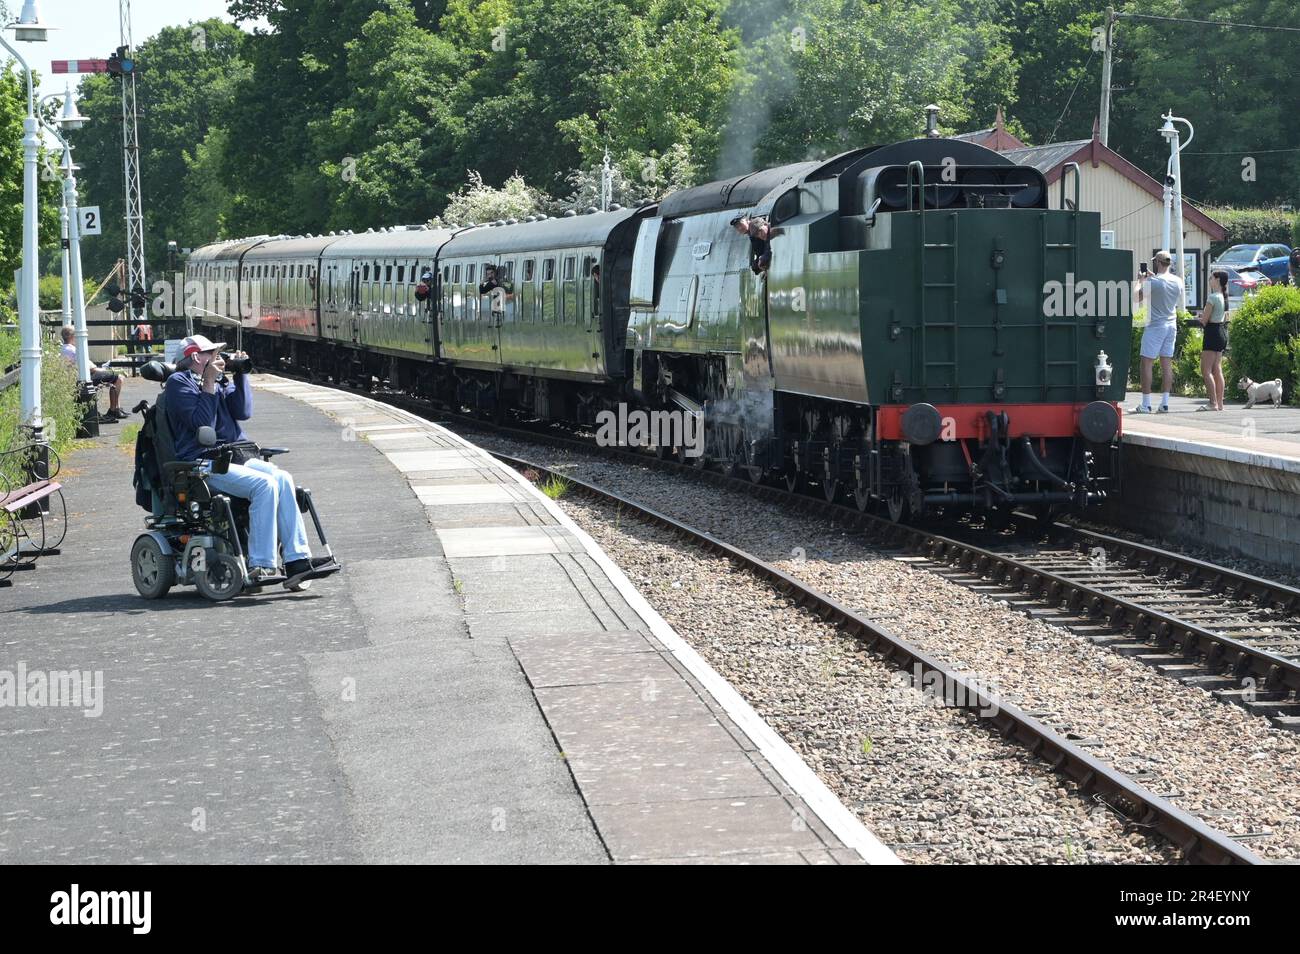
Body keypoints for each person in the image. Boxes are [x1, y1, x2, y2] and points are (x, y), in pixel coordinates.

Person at [164, 334, 320, 589]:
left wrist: (240, 375)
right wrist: (209, 384)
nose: (220, 359)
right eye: (213, 354)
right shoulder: (178, 382)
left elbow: (243, 412)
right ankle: (261, 563)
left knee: (282, 478)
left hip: (237, 455)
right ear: (195, 356)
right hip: (202, 461)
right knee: (264, 485)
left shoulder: (218, 380)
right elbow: (203, 425)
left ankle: (297, 561)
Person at [1133, 250, 1184, 413]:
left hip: (1155, 326)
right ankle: (1165, 403)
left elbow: (1136, 298)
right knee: (1166, 364)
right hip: (1171, 325)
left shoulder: (1152, 283)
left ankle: (1146, 403)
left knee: (1146, 362)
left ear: (1158, 263)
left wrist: (1140, 281)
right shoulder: (1178, 281)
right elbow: (1165, 288)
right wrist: (1152, 277)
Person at [60, 325, 126, 420]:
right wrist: (106, 370)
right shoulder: (73, 350)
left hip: (74, 378)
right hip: (82, 378)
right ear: (72, 336)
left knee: (115, 376)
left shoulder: (63, 349)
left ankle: (116, 408)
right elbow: (92, 369)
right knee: (118, 377)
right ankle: (113, 409)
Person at [1196, 269, 1229, 412]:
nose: (1209, 280)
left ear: (1217, 280)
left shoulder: (1213, 297)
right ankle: (1220, 403)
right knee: (1217, 369)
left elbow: (1204, 320)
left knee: (1206, 370)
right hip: (1221, 332)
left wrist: (1198, 318)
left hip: (1212, 333)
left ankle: (1212, 402)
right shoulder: (1222, 296)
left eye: (1211, 278)